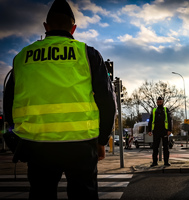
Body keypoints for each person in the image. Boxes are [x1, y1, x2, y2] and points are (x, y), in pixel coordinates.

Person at [3, 0, 116, 199]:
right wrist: (101, 140)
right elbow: (108, 101)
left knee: (41, 194)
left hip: (38, 146)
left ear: (46, 27)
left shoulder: (22, 57)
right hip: (81, 144)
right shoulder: (87, 54)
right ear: (73, 28)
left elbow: (9, 103)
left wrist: (15, 137)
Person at [148, 97, 172, 167]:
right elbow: (150, 121)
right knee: (155, 147)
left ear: (162, 102)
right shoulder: (154, 110)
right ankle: (154, 162)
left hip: (164, 131)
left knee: (166, 148)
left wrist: (170, 130)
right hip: (156, 131)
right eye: (158, 102)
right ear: (156, 102)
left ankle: (166, 162)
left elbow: (170, 120)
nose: (159, 103)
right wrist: (149, 130)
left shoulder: (166, 110)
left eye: (160, 102)